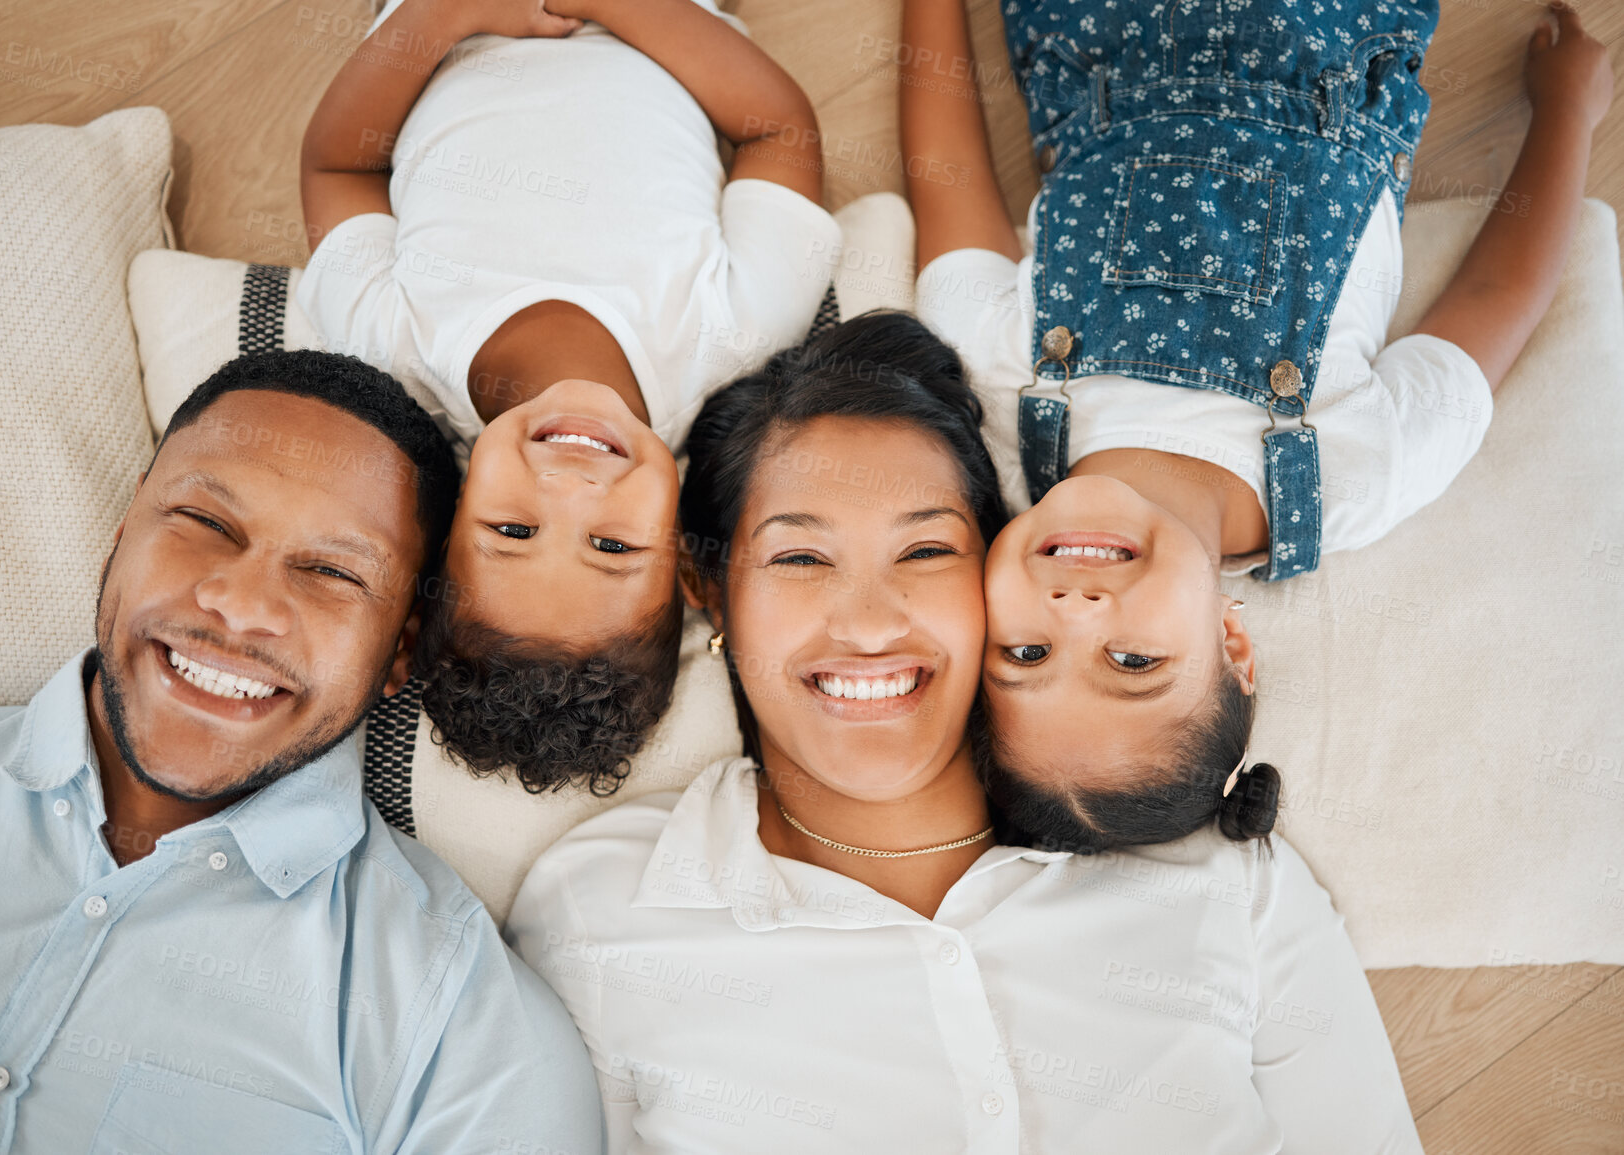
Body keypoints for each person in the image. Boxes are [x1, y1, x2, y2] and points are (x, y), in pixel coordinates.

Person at [505, 314, 1419, 1152]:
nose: (868, 623)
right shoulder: (600, 907)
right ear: (711, 590)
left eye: (927, 550)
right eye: (798, 557)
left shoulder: (1221, 877)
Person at [901, 0, 1614, 850]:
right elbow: (1500, 296)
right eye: (1133, 664)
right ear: (1231, 641)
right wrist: (1569, 109)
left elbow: (944, 167)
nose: (1076, 610)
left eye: (1024, 655)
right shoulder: (1358, 474)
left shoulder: (998, 390)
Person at [0, 351, 600, 1154]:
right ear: (120, 539)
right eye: (205, 524)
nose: (239, 604)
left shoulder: (462, 1034)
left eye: (332, 570)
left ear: (402, 649)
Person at [298, 0, 839, 794]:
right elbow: (777, 131)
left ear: (445, 528)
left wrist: (447, 16)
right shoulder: (737, 334)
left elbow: (338, 166)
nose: (571, 489)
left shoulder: (394, 345)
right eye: (612, 546)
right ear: (686, 563)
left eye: (514, 528)